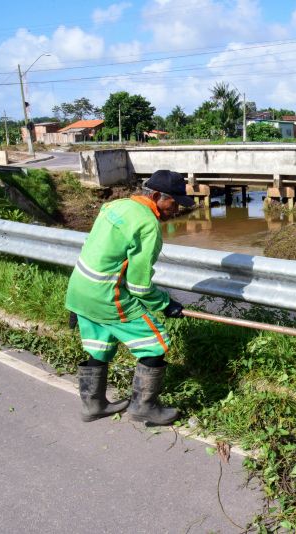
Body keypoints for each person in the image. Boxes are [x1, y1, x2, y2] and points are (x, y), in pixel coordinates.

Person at [66, 169, 195, 426]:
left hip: (80, 288)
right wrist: (166, 304)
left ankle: (93, 404)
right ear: (157, 195)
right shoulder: (148, 226)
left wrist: (76, 303)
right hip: (106, 295)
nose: (177, 209)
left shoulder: (116, 205)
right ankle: (144, 407)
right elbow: (139, 286)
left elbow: (96, 249)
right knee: (155, 343)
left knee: (99, 345)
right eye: (174, 202)